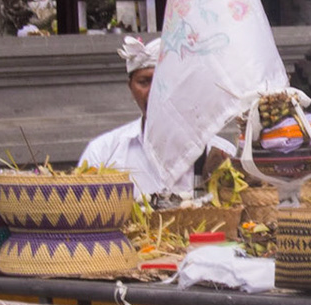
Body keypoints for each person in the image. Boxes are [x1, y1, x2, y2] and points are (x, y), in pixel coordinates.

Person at [79, 37, 229, 196]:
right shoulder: (103, 153)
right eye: (144, 82)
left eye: (162, 82)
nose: (154, 92)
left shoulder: (221, 153)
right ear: (131, 88)